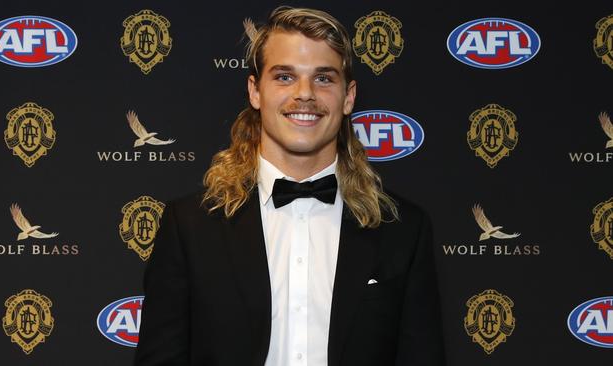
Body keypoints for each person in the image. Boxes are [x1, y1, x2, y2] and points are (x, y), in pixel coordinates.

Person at [134, 6, 445, 366]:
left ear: (348, 97)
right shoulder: (189, 227)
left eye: (324, 78)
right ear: (255, 91)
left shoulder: (404, 230)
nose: (305, 94)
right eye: (284, 77)